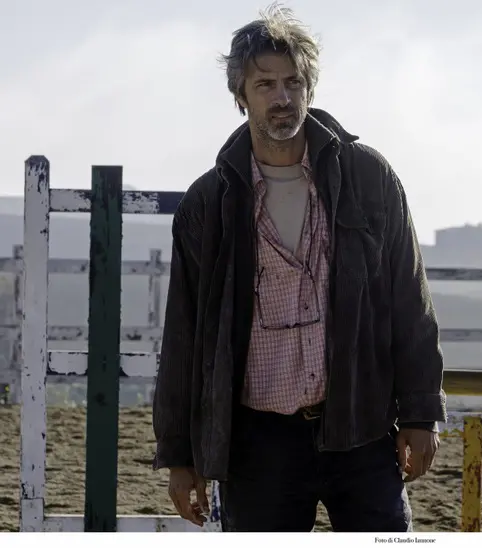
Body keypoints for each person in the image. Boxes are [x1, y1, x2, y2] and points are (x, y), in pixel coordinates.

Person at [152, 3, 447, 533]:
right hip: (257, 444)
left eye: (293, 82)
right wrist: (178, 454)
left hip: (361, 427)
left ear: (309, 88)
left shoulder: (369, 178)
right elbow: (184, 336)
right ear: (240, 95)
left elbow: (411, 302)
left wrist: (422, 413)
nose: (282, 98)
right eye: (265, 84)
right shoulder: (208, 203)